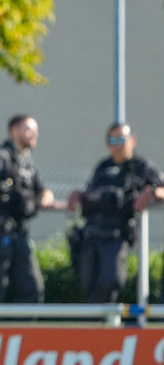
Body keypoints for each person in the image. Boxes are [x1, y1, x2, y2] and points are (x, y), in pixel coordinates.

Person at [67, 123, 164, 303]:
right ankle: (93, 325)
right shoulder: (103, 166)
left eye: (122, 139)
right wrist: (78, 194)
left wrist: (150, 192)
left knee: (111, 281)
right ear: (108, 143)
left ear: (132, 140)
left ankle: (105, 323)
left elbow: (161, 189)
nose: (118, 144)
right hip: (91, 234)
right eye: (113, 140)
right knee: (88, 285)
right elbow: (92, 192)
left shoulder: (141, 166)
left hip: (116, 234)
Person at [0, 114, 55, 303]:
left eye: (36, 130)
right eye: (29, 130)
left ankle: (20, 331)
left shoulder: (26, 162)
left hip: (19, 234)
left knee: (32, 287)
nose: (35, 134)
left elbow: (41, 189)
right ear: (14, 131)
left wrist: (47, 195)